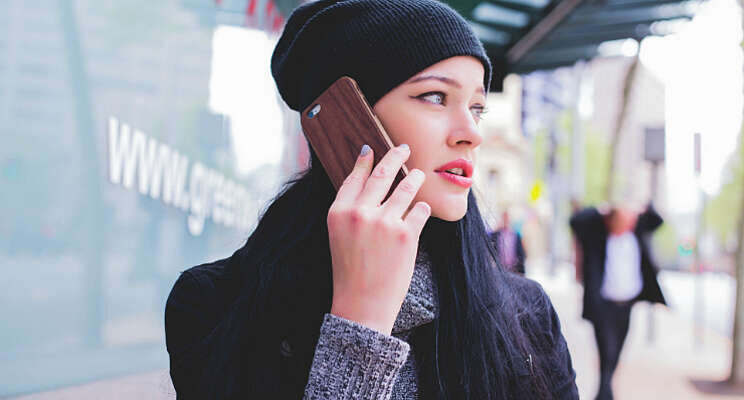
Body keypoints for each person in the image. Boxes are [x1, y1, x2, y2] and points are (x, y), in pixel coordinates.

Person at [165, 1, 578, 399]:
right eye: (435, 97)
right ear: (348, 119)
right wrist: (360, 325)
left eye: (477, 108)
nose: (472, 132)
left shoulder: (526, 315)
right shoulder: (214, 305)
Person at [569, 203, 667, 400]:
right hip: (603, 305)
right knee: (607, 350)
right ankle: (606, 394)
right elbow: (575, 221)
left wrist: (642, 206)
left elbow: (658, 219)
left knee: (616, 352)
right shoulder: (598, 234)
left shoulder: (636, 232)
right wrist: (601, 210)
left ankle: (604, 392)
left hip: (627, 304)